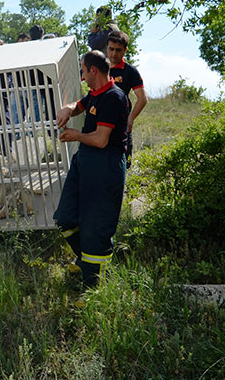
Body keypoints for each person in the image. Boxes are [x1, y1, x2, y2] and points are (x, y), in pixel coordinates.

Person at [53, 50, 129, 288]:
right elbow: (80, 105)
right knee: (65, 217)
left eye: (83, 70)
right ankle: (86, 260)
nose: (82, 76)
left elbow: (100, 139)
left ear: (93, 70)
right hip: (85, 161)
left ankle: (93, 290)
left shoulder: (114, 98)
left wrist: (76, 135)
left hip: (105, 164)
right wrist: (68, 107)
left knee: (95, 227)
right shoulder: (96, 94)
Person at [107, 30, 147, 168]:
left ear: (125, 50)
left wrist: (131, 118)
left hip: (122, 125)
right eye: (111, 49)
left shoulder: (130, 71)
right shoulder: (99, 68)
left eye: (118, 50)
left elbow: (142, 98)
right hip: (100, 124)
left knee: (123, 164)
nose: (114, 53)